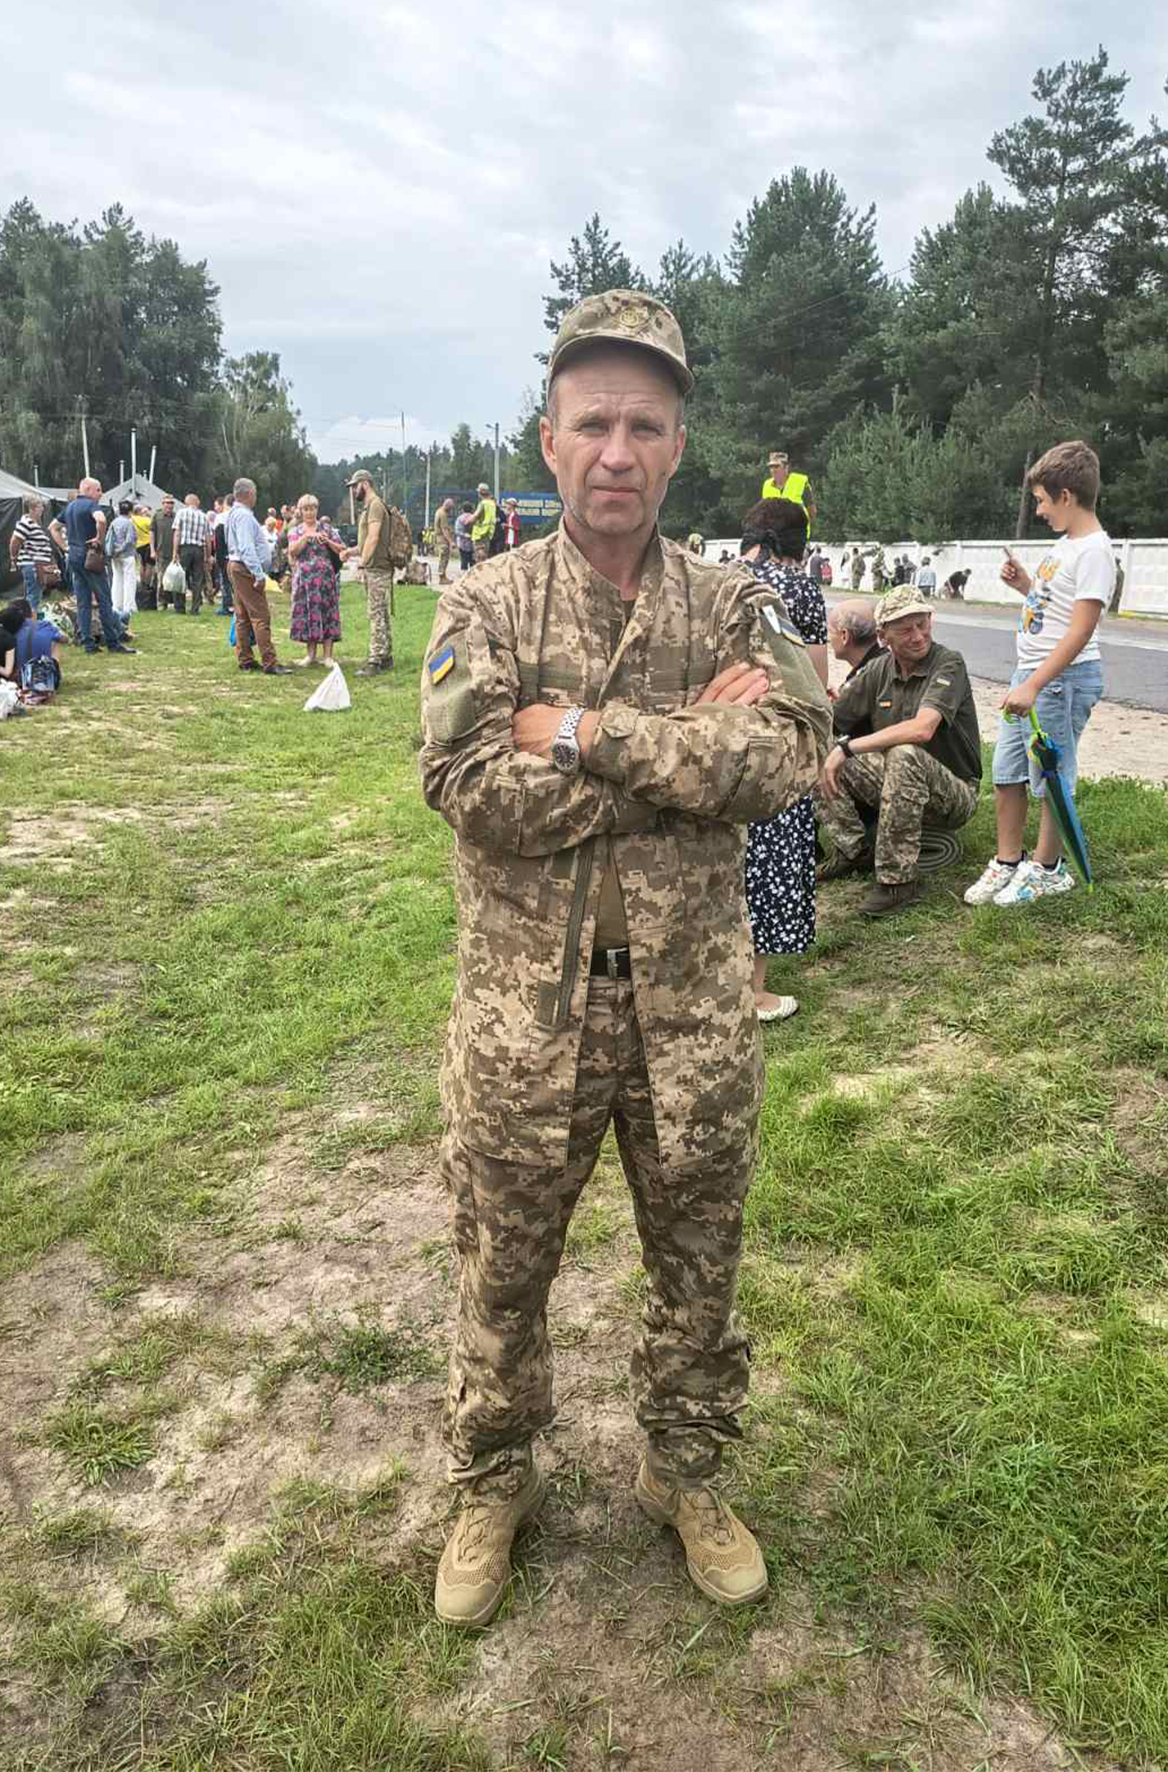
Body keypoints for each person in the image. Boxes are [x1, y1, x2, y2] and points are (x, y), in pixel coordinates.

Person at [420, 287, 832, 1628]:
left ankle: (684, 1470)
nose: (616, 451)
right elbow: (468, 783)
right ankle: (493, 1478)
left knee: (699, 1262)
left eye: (643, 426)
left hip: (693, 1015)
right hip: (523, 1020)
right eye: (592, 423)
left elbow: (788, 757)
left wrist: (585, 731)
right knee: (501, 1266)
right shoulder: (483, 601)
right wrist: (683, 750)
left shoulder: (735, 603)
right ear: (548, 440)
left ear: (677, 447)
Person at [964, 440, 1111, 908]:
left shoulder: (1095, 551)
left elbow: (1081, 630)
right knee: (1008, 770)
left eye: (1043, 501)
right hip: (1031, 677)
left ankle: (1048, 869)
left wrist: (1035, 683)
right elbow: (1054, 607)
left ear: (1067, 495)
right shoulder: (1066, 545)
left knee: (1050, 774)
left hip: (1058, 682)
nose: (1040, 511)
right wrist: (1025, 584)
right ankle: (1009, 860)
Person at [814, 586, 981, 917]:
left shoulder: (948, 662)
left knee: (904, 753)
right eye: (905, 630)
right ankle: (854, 850)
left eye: (923, 624)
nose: (918, 636)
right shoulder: (879, 669)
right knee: (816, 748)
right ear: (883, 636)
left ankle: (897, 881)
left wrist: (848, 748)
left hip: (955, 793)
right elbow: (831, 720)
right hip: (898, 781)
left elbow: (922, 729)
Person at [738, 499, 830, 1023]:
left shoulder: (715, 578)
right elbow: (813, 678)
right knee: (769, 859)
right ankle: (753, 991)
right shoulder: (798, 588)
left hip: (713, 732)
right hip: (773, 738)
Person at [50, 477, 132, 655]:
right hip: (90, 556)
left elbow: (53, 527)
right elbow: (101, 520)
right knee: (104, 600)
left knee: (83, 602)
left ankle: (88, 643)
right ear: (87, 489)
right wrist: (99, 539)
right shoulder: (91, 505)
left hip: (73, 556)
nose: (101, 493)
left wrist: (64, 547)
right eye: (98, 489)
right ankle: (113, 643)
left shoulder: (70, 507)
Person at [226, 476, 289, 675]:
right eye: (255, 493)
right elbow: (246, 547)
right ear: (249, 494)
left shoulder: (233, 513)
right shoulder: (244, 516)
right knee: (260, 615)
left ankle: (245, 658)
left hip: (236, 565)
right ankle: (270, 661)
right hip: (245, 569)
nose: (256, 497)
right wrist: (258, 574)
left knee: (242, 615)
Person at [347, 468, 397, 677]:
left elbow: (374, 538)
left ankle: (375, 660)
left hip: (377, 569)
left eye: (355, 486)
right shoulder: (371, 506)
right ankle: (385, 656)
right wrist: (351, 552)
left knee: (375, 614)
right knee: (381, 613)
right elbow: (366, 541)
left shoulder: (375, 506)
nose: (353, 491)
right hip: (376, 567)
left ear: (365, 484)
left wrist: (362, 563)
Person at [288, 494, 345, 666]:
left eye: (312, 508)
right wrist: (305, 538)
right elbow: (292, 551)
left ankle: (328, 656)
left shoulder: (327, 529)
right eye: (306, 509)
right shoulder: (296, 531)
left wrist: (327, 542)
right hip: (305, 581)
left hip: (325, 580)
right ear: (301, 511)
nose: (309, 512)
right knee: (308, 614)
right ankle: (310, 655)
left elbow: (342, 549)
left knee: (328, 613)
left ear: (317, 509)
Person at [8, 494, 56, 608]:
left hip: (37, 565)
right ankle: (31, 618)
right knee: (34, 596)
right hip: (33, 565)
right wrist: (13, 556)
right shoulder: (26, 523)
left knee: (34, 594)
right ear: (31, 509)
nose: (42, 509)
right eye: (40, 506)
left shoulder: (33, 524)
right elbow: (15, 541)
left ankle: (29, 616)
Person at [827, 598, 886, 688]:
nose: (828, 637)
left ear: (845, 636)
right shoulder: (886, 663)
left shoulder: (861, 684)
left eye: (830, 630)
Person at [760, 450, 816, 537]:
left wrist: (806, 525)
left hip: (797, 535)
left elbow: (811, 508)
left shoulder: (800, 481)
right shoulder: (767, 485)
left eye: (777, 466)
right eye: (771, 467)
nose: (773, 470)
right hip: (776, 536)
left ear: (786, 467)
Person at [172, 493, 211, 615]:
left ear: (186, 502)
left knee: (181, 577)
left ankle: (180, 607)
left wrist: (175, 552)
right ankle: (195, 608)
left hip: (185, 548)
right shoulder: (204, 516)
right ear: (197, 502)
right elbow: (208, 538)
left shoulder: (181, 513)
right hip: (199, 549)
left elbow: (177, 533)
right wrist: (208, 556)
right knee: (197, 580)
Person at [106, 499, 140, 623]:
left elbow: (108, 538)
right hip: (127, 555)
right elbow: (130, 540)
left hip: (115, 556)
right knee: (129, 581)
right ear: (130, 511)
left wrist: (114, 551)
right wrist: (121, 549)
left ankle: (116, 605)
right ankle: (128, 606)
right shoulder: (129, 523)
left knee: (117, 579)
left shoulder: (114, 522)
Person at [151, 496, 177, 608]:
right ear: (163, 504)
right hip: (161, 552)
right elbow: (152, 533)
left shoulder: (176, 516)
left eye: (171, 503)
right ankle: (162, 601)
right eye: (167, 502)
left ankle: (174, 601)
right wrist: (152, 550)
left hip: (174, 552)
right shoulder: (157, 516)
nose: (169, 505)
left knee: (174, 577)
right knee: (162, 578)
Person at [470, 482, 497, 563]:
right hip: (488, 533)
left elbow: (475, 517)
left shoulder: (483, 503)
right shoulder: (492, 503)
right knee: (484, 556)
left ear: (480, 492)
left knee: (479, 558)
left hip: (479, 534)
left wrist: (468, 521)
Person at [433, 496, 456, 584]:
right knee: (444, 557)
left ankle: (443, 576)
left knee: (444, 557)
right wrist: (451, 542)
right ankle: (442, 577)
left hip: (439, 537)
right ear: (447, 506)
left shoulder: (438, 511)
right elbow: (444, 529)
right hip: (442, 538)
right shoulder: (443, 514)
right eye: (450, 508)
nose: (450, 511)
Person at [455, 502, 475, 572]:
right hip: (473, 543)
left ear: (463, 510)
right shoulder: (474, 517)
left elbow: (457, 531)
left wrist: (464, 535)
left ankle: (464, 576)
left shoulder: (459, 518)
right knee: (473, 562)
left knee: (464, 561)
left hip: (462, 544)